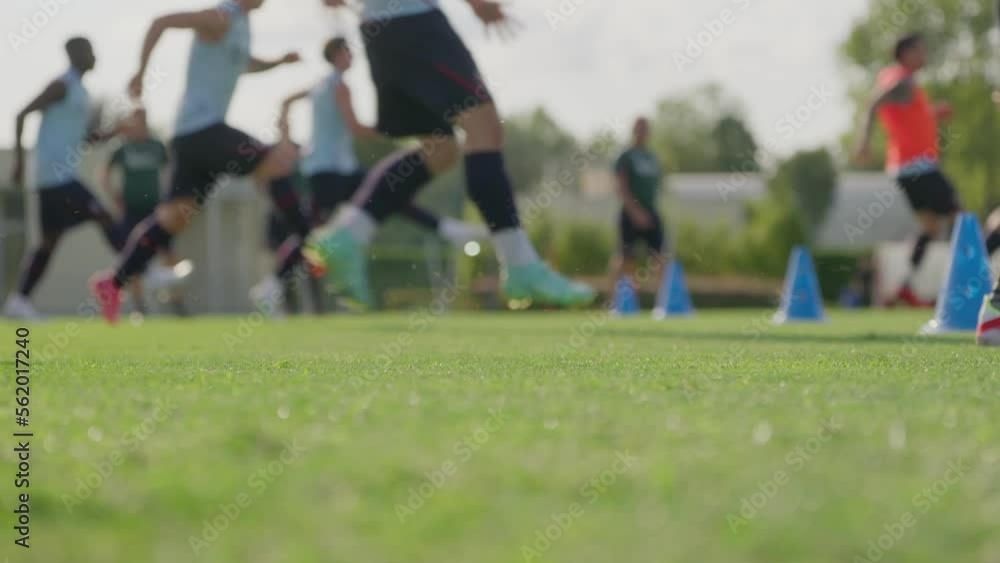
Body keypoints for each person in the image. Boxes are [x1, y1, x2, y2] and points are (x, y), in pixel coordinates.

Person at [312, 0, 595, 308]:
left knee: (440, 150)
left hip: (379, 34)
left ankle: (349, 235)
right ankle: (521, 265)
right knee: (484, 130)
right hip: (415, 24)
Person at [90, 0, 301, 323]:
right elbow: (161, 21)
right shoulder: (219, 17)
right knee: (276, 162)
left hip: (191, 138)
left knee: (174, 217)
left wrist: (278, 62)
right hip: (203, 130)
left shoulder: (242, 24)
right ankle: (300, 253)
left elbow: (244, 63)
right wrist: (141, 72)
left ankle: (113, 282)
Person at [252, 37, 487, 311]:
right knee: (314, 233)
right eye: (347, 52)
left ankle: (447, 229)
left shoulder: (318, 86)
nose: (352, 56)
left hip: (339, 168)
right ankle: (271, 287)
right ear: (337, 55)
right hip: (329, 170)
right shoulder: (340, 86)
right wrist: (402, 131)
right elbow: (355, 127)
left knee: (390, 191)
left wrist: (284, 136)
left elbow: (287, 101)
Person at [5, 37, 125, 320]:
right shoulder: (62, 85)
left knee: (48, 242)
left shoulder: (81, 92)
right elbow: (21, 114)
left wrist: (115, 131)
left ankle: (19, 301)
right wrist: (19, 162)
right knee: (102, 216)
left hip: (57, 178)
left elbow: (83, 140)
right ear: (76, 54)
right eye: (90, 51)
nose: (94, 56)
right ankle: (140, 267)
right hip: (53, 174)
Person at [854, 33, 959, 307]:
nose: (925, 55)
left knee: (931, 228)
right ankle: (966, 283)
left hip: (908, 168)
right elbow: (874, 104)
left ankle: (905, 286)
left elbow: (908, 117)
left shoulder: (904, 82)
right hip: (918, 167)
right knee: (961, 216)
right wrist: (863, 141)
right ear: (906, 53)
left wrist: (934, 113)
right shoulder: (902, 80)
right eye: (920, 50)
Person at [102, 109, 191, 317]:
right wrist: (114, 196)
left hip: (155, 210)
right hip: (131, 210)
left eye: (142, 119)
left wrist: (170, 198)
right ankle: (139, 307)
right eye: (135, 119)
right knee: (134, 256)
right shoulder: (122, 147)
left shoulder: (157, 146)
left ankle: (177, 303)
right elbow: (104, 173)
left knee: (169, 253)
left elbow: (170, 172)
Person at [608, 117, 666, 312]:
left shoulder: (652, 157)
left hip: (651, 213)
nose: (642, 133)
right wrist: (635, 211)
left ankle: (663, 303)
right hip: (630, 214)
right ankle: (616, 302)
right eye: (639, 129)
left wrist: (648, 212)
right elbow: (621, 186)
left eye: (645, 129)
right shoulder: (626, 157)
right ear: (634, 131)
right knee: (626, 258)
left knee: (660, 257)